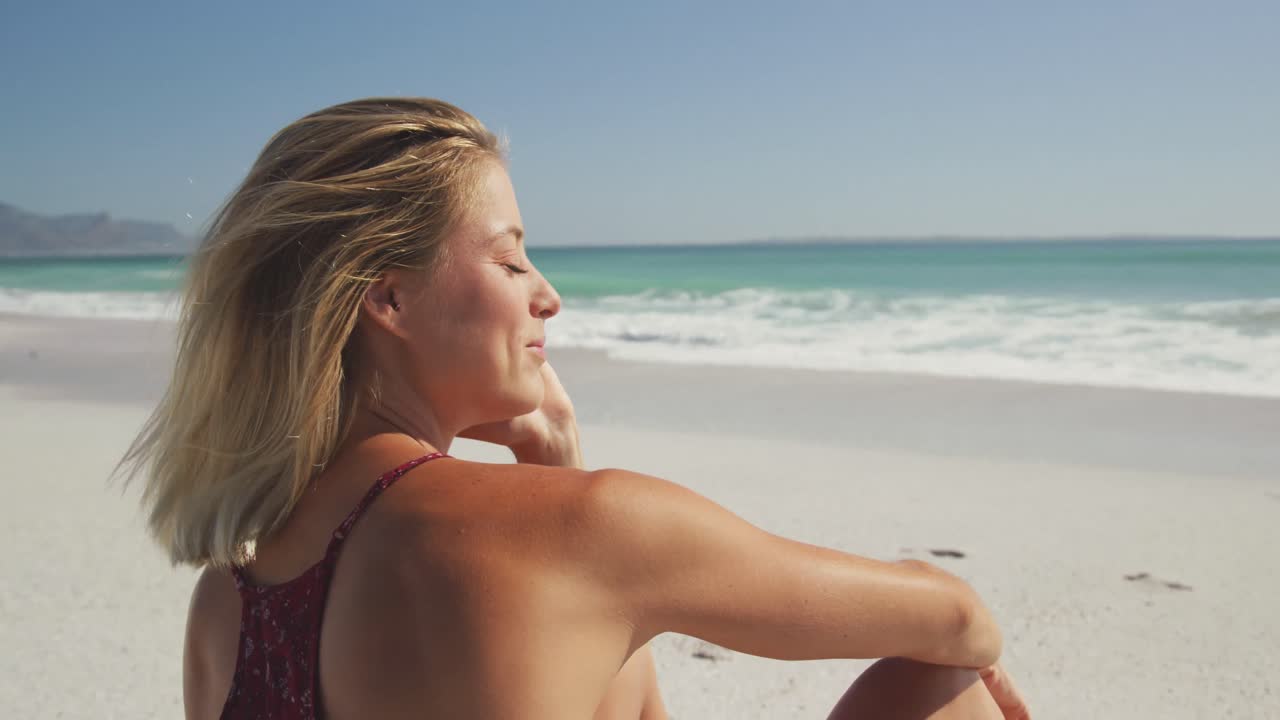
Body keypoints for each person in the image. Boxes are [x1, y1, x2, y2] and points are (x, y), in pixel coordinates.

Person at [117, 97, 1030, 719]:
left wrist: (551, 465)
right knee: (939, 678)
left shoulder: (227, 611)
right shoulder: (590, 531)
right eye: (512, 260)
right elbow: (957, 618)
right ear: (388, 301)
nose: (546, 294)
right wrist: (565, 491)